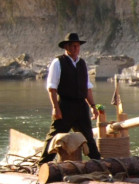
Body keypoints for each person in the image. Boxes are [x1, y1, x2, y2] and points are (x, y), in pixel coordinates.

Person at [38, 32, 102, 164]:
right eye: (72, 46)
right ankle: (42, 164)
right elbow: (52, 88)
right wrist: (56, 108)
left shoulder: (82, 63)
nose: (75, 48)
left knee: (88, 137)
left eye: (77, 46)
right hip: (65, 106)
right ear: (66, 47)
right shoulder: (58, 62)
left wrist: (93, 106)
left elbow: (87, 88)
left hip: (80, 106)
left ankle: (98, 162)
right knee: (54, 135)